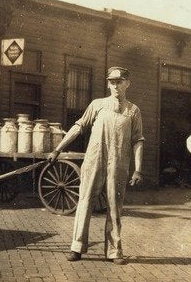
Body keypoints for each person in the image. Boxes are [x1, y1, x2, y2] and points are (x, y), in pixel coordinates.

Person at [48, 66, 145, 265]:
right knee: (84, 201)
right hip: (94, 160)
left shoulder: (133, 111)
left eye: (119, 81)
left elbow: (138, 140)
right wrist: (58, 149)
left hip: (118, 164)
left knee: (115, 206)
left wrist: (138, 169)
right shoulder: (97, 104)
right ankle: (77, 247)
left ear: (128, 83)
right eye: (112, 82)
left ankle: (114, 251)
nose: (115, 85)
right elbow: (78, 127)